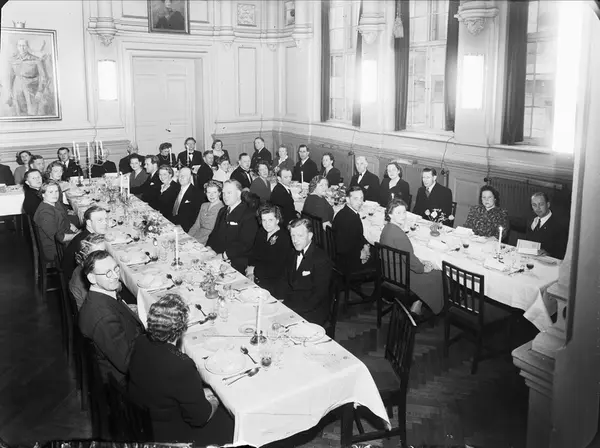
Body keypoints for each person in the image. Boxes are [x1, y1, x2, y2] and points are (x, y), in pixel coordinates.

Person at [128, 294, 233, 444]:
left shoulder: (140, 341)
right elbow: (200, 418)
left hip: (141, 418)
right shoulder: (181, 365)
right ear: (182, 328)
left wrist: (201, 393)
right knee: (229, 420)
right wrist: (216, 399)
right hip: (169, 434)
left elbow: (164, 384)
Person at [78, 250, 145, 385]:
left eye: (116, 269)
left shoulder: (100, 297)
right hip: (123, 382)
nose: (115, 276)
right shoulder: (104, 317)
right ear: (92, 278)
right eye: (108, 273)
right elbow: (127, 363)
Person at [379, 199, 443, 317]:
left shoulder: (387, 228)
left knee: (429, 268)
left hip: (389, 273)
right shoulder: (398, 234)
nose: (403, 216)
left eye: (404, 212)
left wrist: (421, 261)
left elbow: (406, 255)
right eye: (398, 213)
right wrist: (423, 268)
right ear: (390, 214)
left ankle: (417, 303)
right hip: (401, 278)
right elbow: (411, 261)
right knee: (437, 275)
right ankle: (427, 307)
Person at [279, 218, 332, 325]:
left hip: (312, 311)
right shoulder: (292, 252)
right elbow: (285, 279)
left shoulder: (321, 260)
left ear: (310, 235)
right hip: (293, 303)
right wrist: (281, 300)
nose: (295, 240)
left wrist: (291, 310)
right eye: (293, 236)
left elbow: (318, 296)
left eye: (300, 236)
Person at [207, 180, 259, 273]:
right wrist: (209, 247)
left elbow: (245, 244)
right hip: (218, 255)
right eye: (223, 193)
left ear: (239, 194)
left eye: (229, 193)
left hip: (236, 260)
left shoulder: (249, 214)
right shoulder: (222, 211)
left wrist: (224, 256)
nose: (225, 196)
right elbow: (214, 233)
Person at [246, 204, 293, 296]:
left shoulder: (284, 238)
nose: (267, 224)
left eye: (270, 220)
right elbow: (254, 252)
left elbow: (277, 268)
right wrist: (250, 267)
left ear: (277, 220)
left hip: (275, 283)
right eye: (264, 220)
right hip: (258, 276)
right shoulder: (262, 231)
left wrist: (254, 271)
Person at [33, 181, 79, 261]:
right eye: (50, 192)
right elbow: (59, 238)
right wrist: (77, 236)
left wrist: (76, 230)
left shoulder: (56, 203)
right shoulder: (45, 214)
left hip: (64, 240)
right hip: (56, 249)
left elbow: (66, 221)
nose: (54, 194)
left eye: (56, 191)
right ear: (43, 194)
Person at [332, 187, 373, 273]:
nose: (360, 202)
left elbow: (358, 235)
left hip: (350, 252)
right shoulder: (347, 218)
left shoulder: (349, 213)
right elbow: (341, 247)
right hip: (347, 261)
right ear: (347, 199)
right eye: (356, 199)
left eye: (361, 198)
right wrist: (360, 254)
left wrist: (366, 245)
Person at [62, 205, 108, 281]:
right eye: (100, 220)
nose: (105, 223)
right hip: (77, 280)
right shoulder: (90, 244)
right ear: (89, 223)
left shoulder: (86, 235)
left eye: (106, 219)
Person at [8, 39, 49, 117]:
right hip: (17, 89)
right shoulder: (13, 60)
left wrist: (40, 91)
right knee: (19, 113)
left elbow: (43, 76)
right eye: (20, 46)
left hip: (31, 89)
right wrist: (10, 90)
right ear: (17, 47)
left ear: (27, 47)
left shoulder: (36, 59)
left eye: (24, 45)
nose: (22, 48)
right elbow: (11, 76)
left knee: (32, 112)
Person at [525, 192, 568, 259]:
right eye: (534, 205)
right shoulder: (532, 219)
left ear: (548, 205)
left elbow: (562, 253)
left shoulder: (559, 226)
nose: (537, 208)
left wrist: (549, 254)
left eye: (541, 204)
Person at [70, 234, 107, 310]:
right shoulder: (87, 279)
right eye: (98, 255)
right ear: (86, 256)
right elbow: (96, 307)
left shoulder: (84, 267)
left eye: (105, 252)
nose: (105, 257)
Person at [171, 167, 202, 232]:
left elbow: (195, 217)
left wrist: (181, 227)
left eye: (184, 175)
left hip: (185, 228)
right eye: (180, 175)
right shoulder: (175, 189)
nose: (181, 177)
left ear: (190, 177)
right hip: (172, 222)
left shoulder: (197, 194)